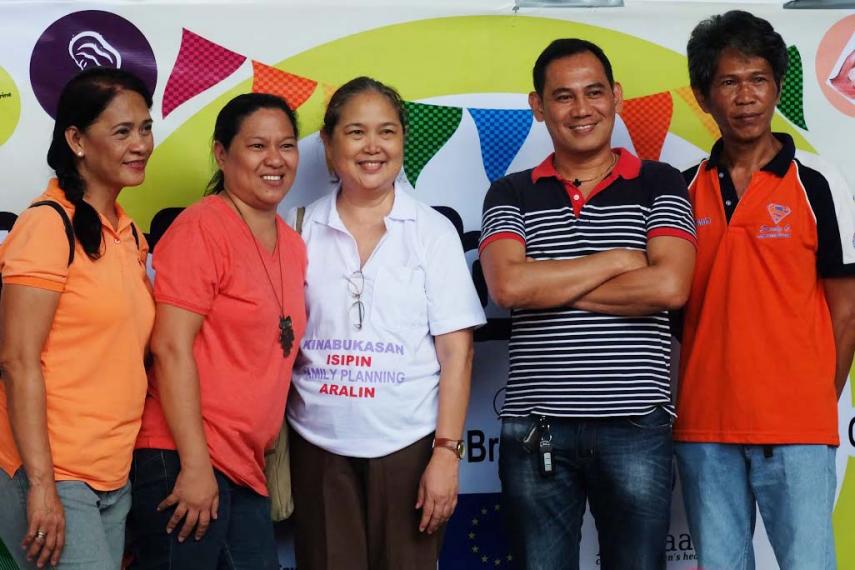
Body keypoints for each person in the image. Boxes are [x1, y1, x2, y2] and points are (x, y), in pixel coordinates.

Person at [479, 39, 697, 569]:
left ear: (617, 96)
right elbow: (507, 289)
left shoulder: (660, 182)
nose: (582, 109)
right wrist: (619, 259)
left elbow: (670, 288)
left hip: (635, 425)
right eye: (564, 96)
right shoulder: (509, 192)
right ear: (538, 105)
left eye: (594, 92)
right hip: (537, 427)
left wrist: (548, 283)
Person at [673, 11, 855, 570]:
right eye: (729, 82)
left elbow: (846, 312)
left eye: (758, 79)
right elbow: (672, 310)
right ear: (705, 96)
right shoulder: (682, 190)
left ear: (777, 86)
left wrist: (812, 401)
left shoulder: (820, 184)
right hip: (704, 425)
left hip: (797, 429)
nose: (746, 96)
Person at [286, 76, 485, 570]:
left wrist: (445, 454)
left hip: (410, 444)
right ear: (330, 147)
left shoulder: (432, 232)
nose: (372, 147)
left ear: (402, 142)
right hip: (317, 443)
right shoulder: (294, 228)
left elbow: (457, 353)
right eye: (355, 132)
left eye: (387, 132)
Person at [129, 93, 307, 569]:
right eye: (257, 146)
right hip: (181, 458)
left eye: (287, 145)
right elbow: (169, 347)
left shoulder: (293, 245)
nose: (275, 159)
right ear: (221, 154)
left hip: (243, 468)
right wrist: (194, 465)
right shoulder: (201, 227)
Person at [0, 68, 155, 569]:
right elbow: (17, 361)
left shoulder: (129, 235)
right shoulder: (47, 225)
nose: (141, 144)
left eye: (146, 128)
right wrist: (42, 487)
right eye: (122, 131)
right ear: (76, 140)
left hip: (112, 475)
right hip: (48, 472)